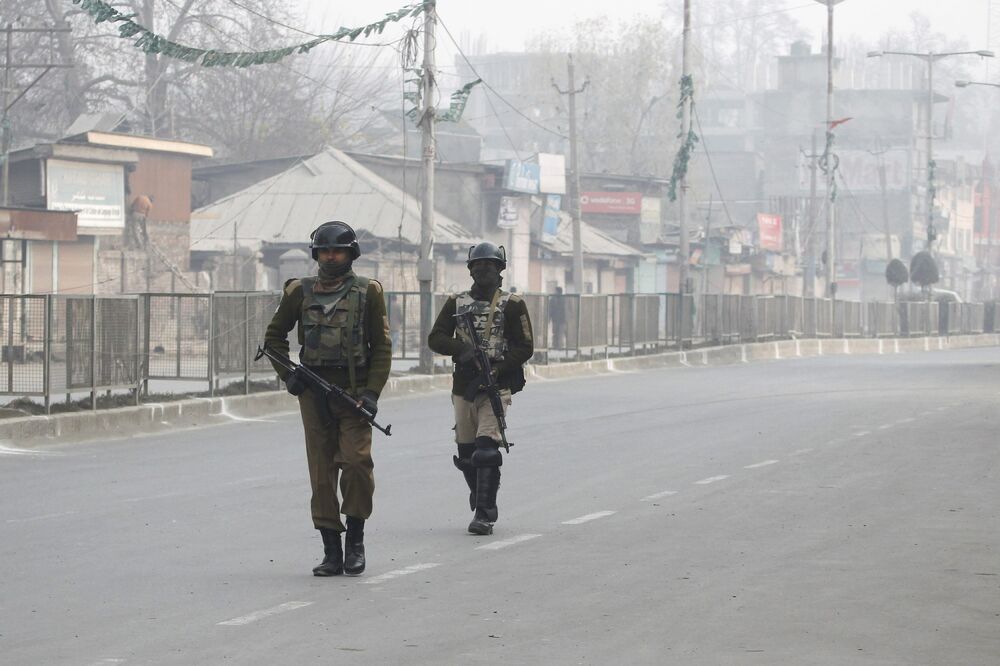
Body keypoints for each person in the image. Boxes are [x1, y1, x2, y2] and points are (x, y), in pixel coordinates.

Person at [264, 221, 392, 577]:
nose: (330, 257)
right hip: (313, 394)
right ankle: (331, 550)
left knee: (355, 465)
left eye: (337, 251)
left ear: (351, 254)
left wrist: (371, 395)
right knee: (321, 476)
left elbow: (381, 348)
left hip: (353, 396)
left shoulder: (369, 292)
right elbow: (273, 339)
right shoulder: (299, 291)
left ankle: (356, 542)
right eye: (324, 251)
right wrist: (289, 376)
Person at [428, 242, 534, 535]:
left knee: (487, 448)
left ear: (500, 269)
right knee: (467, 453)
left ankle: (484, 513)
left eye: (490, 264)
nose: (483, 269)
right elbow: (435, 338)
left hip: (496, 385)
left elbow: (526, 346)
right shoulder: (456, 303)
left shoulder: (513, 304)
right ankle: (479, 492)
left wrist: (499, 368)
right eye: (478, 265)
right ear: (470, 269)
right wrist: (461, 350)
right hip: (464, 385)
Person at [550, 285, 567, 350]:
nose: (554, 292)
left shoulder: (564, 299)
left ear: (558, 292)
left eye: (555, 291)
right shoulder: (553, 299)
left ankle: (560, 347)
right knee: (555, 333)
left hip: (562, 319)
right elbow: (550, 309)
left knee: (560, 333)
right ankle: (555, 346)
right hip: (556, 319)